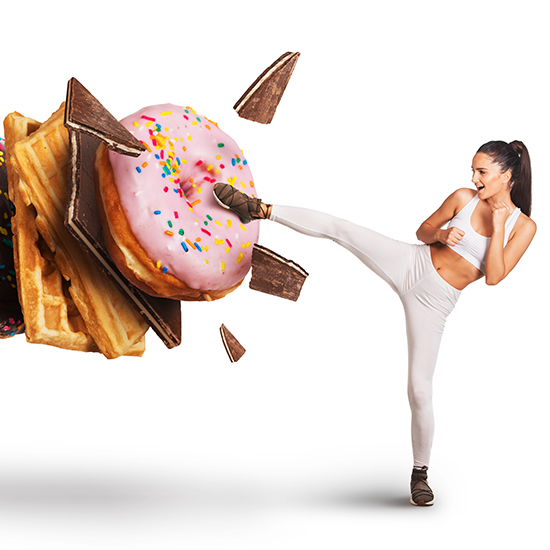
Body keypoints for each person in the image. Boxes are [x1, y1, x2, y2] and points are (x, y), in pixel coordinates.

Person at [213, 140, 537, 506]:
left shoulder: (522, 225)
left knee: (419, 389)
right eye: (473, 171)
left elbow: (494, 277)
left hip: (435, 302)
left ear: (506, 176)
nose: (474, 178)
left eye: (482, 172)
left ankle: (420, 473)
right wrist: (442, 234)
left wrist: (497, 222)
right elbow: (424, 231)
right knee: (343, 229)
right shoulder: (463, 197)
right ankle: (258, 209)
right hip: (411, 262)